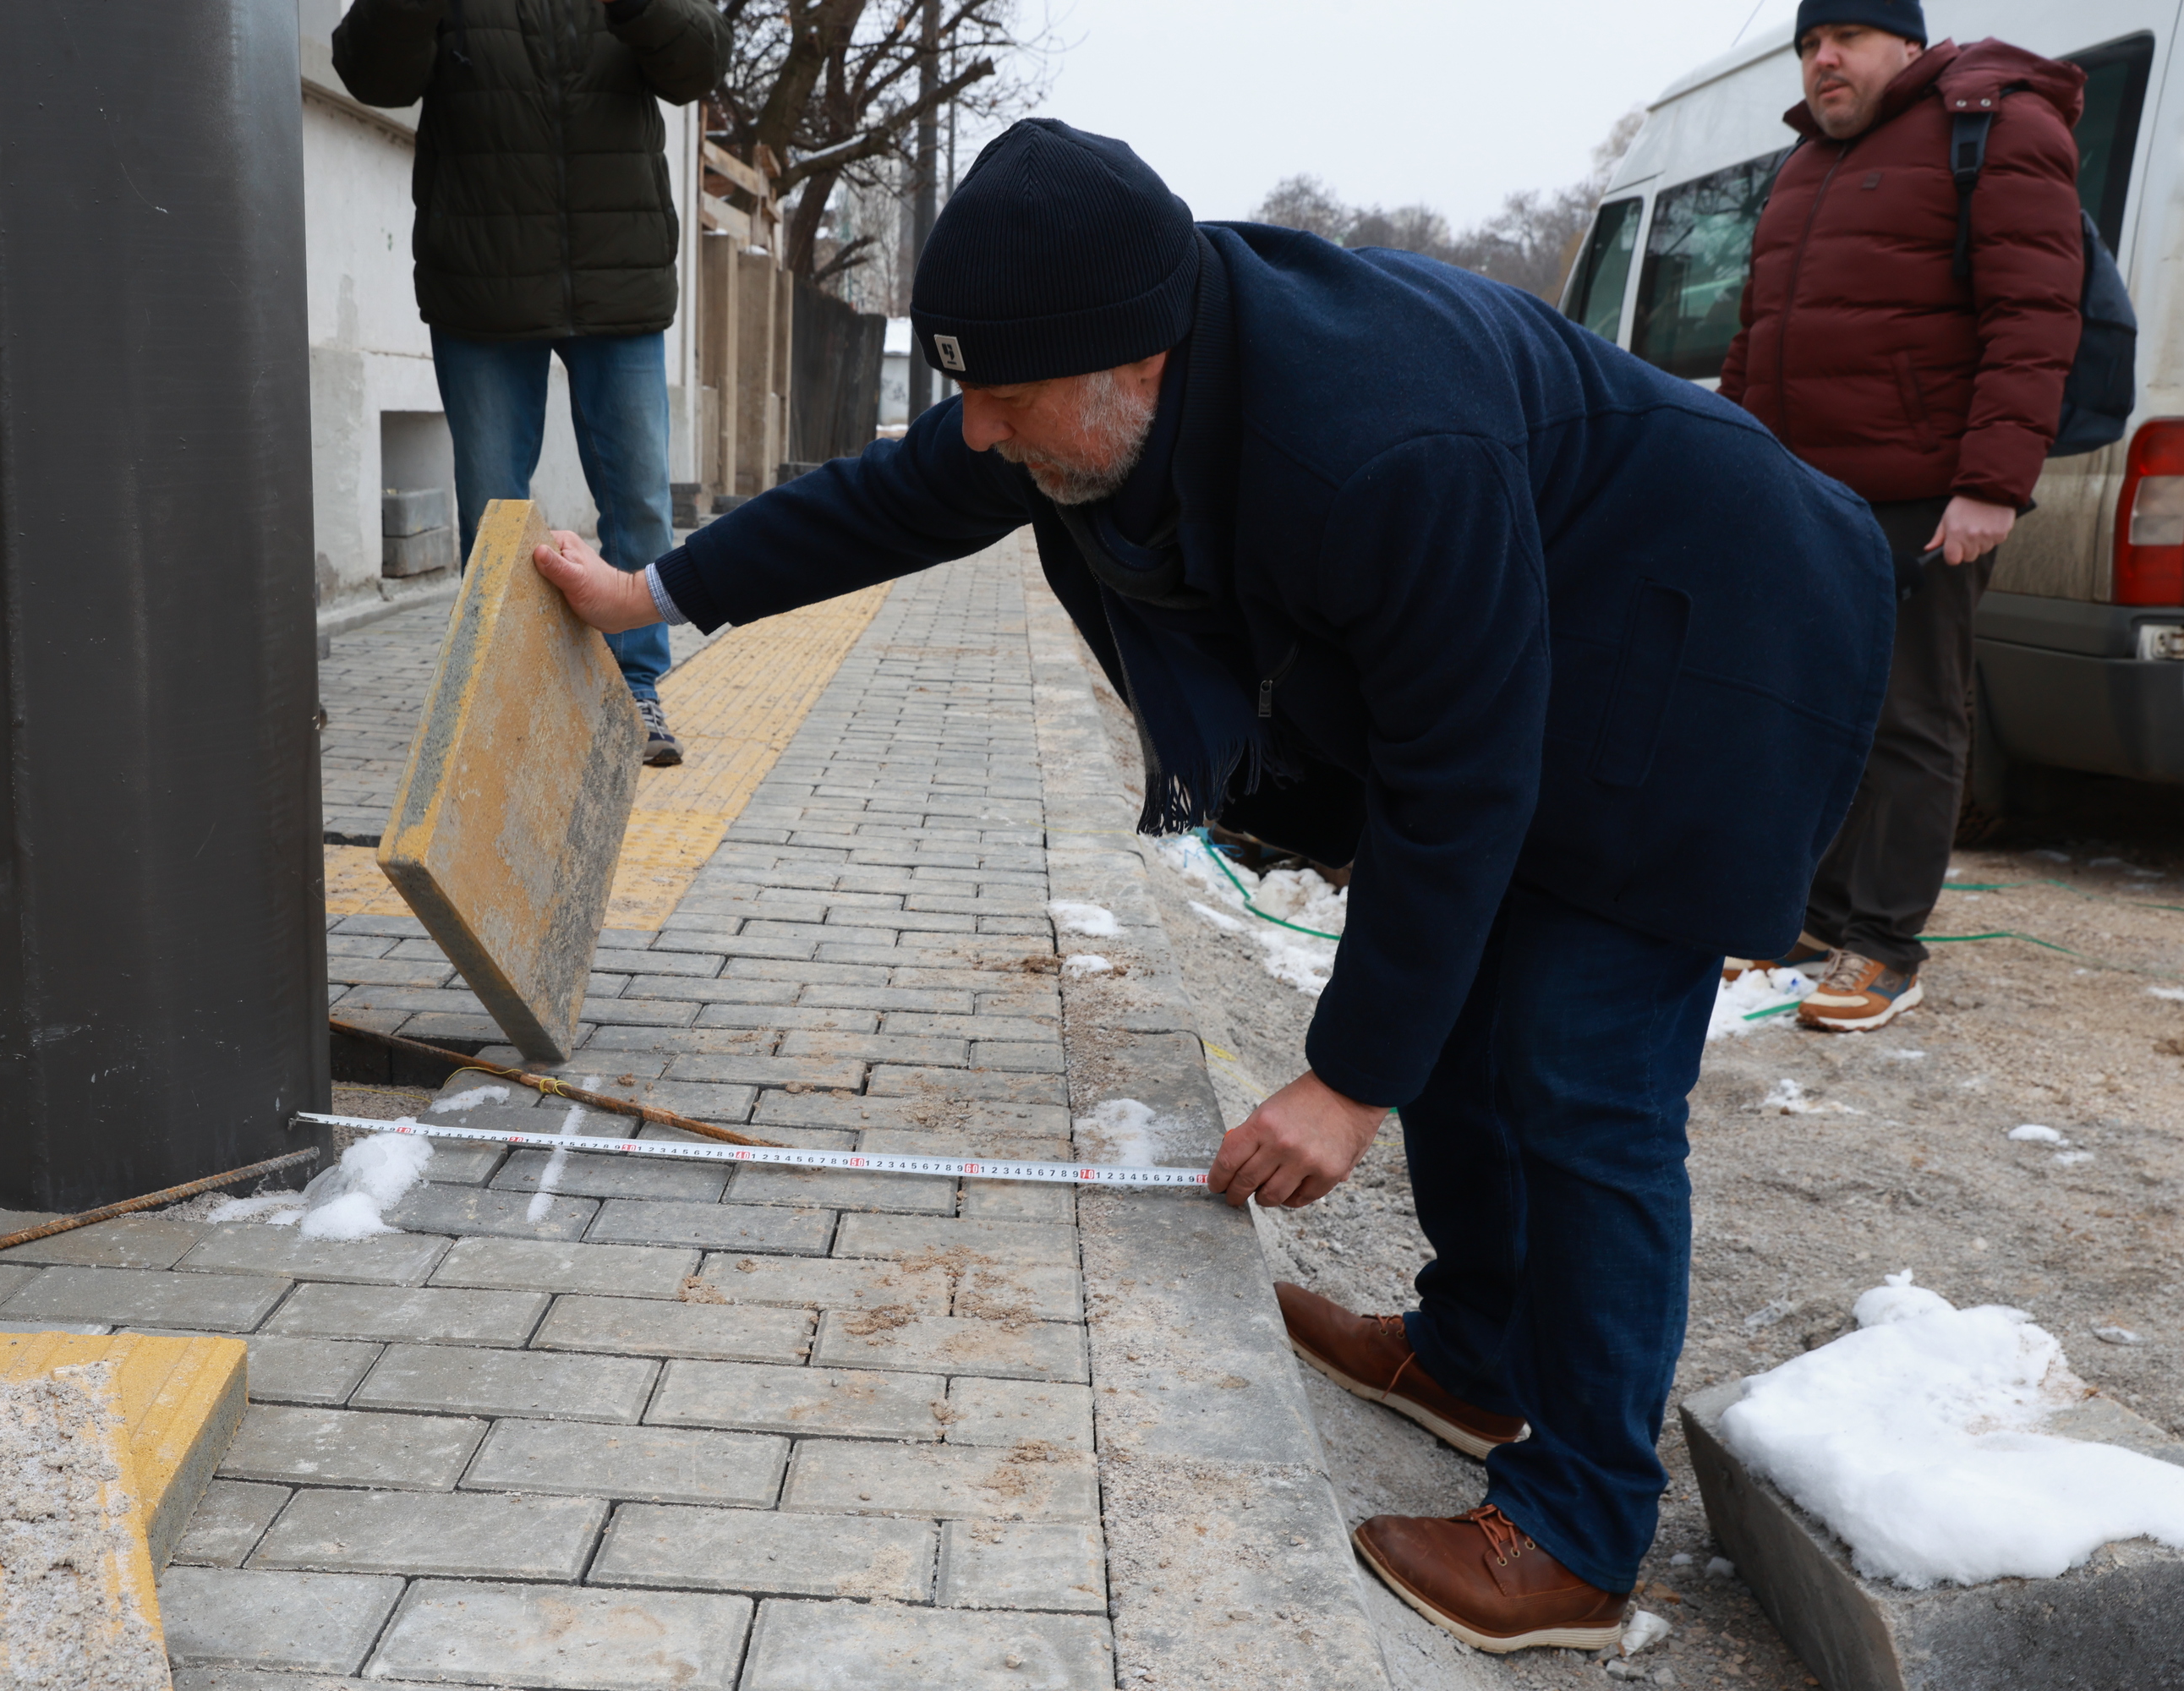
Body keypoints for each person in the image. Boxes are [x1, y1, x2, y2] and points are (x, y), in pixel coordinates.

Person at [532, 119, 1893, 1653]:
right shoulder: (1086, 376)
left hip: (1710, 637)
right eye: (967, 390)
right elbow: (889, 499)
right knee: (1456, 1001)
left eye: (1005, 400)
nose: (979, 432)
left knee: (1580, 1072)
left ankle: (1579, 1535)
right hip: (1547, 618)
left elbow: (1458, 788)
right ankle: (1474, 1354)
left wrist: (1343, 1083)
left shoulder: (1378, 445)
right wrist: (650, 593)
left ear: (1140, 365)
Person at [1720, 0, 2085, 1032]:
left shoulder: (1998, 125)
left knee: (1912, 716)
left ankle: (1883, 944)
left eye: (1845, 38)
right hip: (1805, 490)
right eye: (1806, 45)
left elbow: (2034, 314)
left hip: (1927, 491)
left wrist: (1992, 482)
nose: (1821, 60)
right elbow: (1762, 332)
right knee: (1813, 709)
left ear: (1909, 45)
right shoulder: (1803, 166)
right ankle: (1808, 919)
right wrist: (1735, 465)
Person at [334, 0, 730, 768]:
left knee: (641, 507)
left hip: (618, 278)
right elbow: (371, 72)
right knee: (494, 518)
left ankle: (636, 685)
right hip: (481, 279)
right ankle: (509, 694)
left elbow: (700, 64)